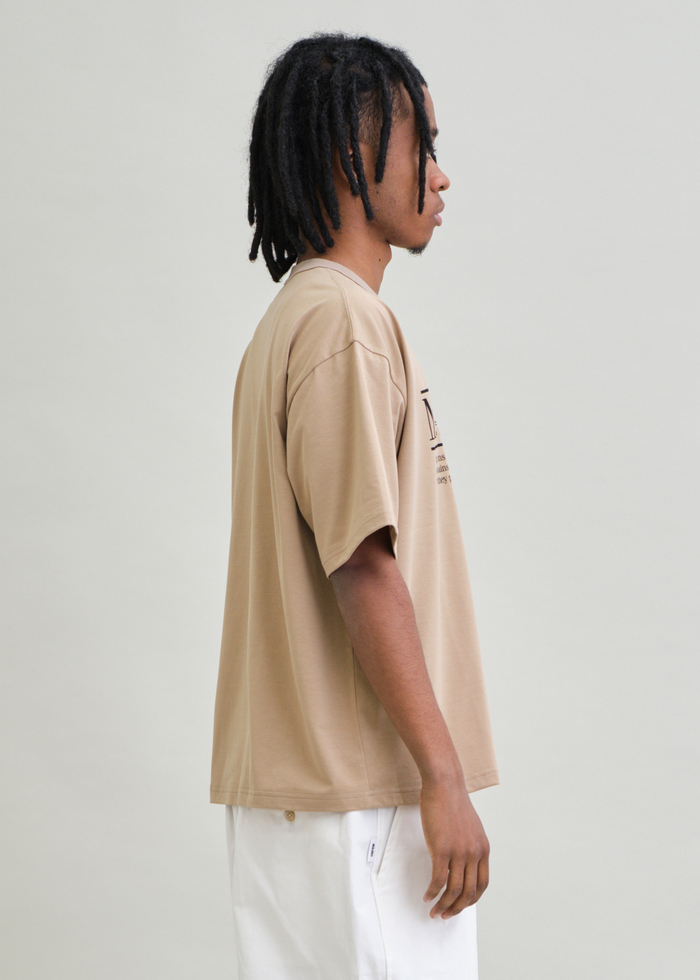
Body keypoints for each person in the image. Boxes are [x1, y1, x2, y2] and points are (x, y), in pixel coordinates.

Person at [211, 32, 499, 980]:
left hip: (307, 806)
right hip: (366, 799)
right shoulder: (344, 324)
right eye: (425, 147)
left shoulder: (290, 322)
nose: (441, 176)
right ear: (351, 156)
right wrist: (442, 776)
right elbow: (363, 563)